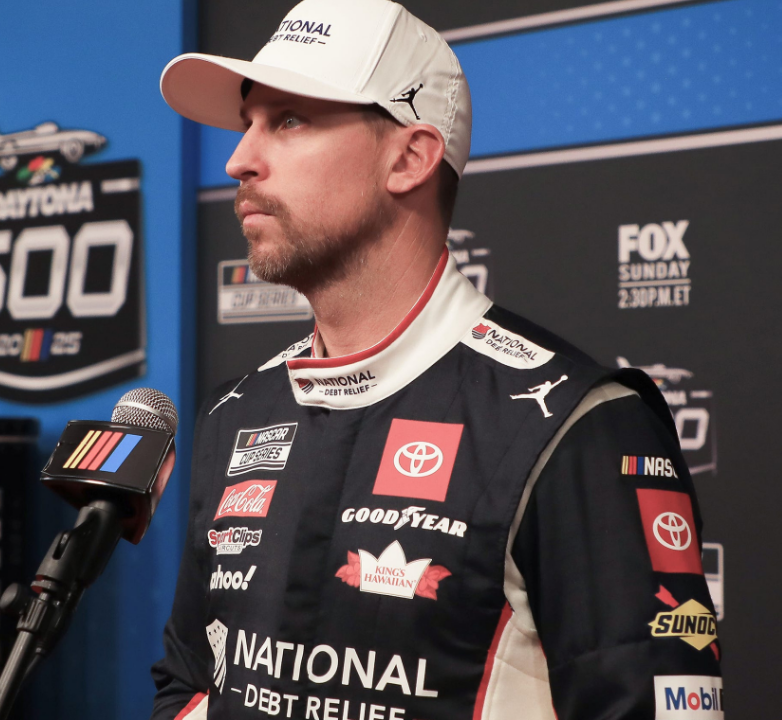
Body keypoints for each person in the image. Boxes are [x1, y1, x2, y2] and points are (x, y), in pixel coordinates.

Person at [151, 1, 724, 718]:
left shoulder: (577, 424)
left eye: (289, 120)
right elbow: (190, 681)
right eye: (247, 123)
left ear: (411, 158)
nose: (238, 160)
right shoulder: (237, 412)